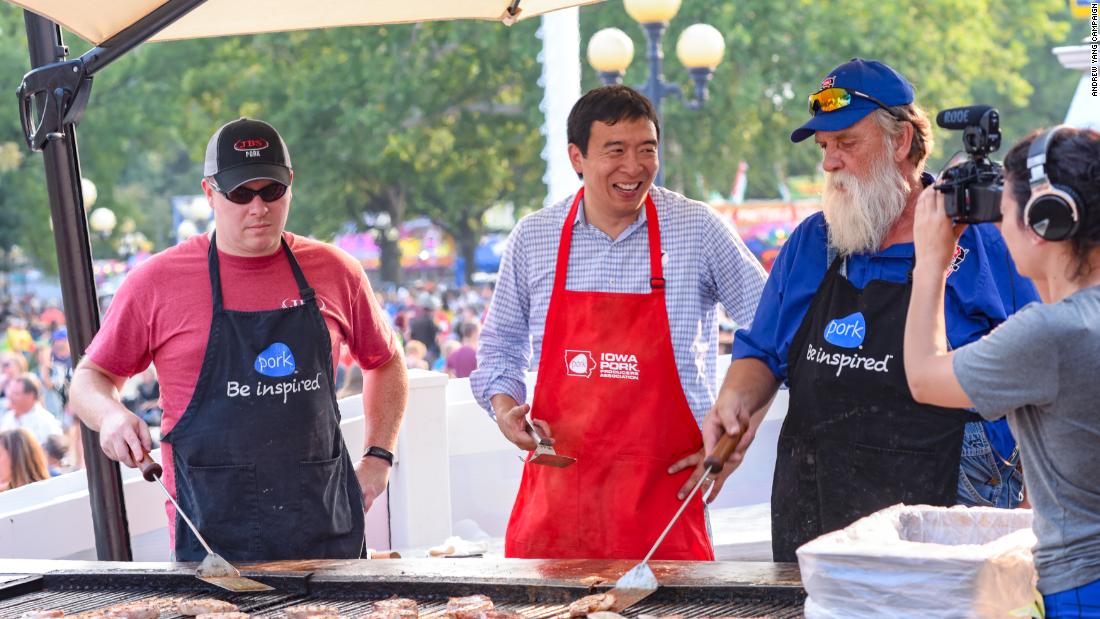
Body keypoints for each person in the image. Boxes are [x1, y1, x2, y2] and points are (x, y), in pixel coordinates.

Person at [702, 59, 1038, 562]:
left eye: (846, 143)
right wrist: (734, 400)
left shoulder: (982, 239)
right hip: (819, 490)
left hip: (949, 496)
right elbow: (763, 351)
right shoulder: (812, 243)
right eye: (823, 148)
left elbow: (1036, 372)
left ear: (901, 142)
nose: (830, 163)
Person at [69, 118, 408, 561]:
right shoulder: (156, 282)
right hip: (212, 539)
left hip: (326, 529)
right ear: (209, 192)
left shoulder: (336, 271)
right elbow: (89, 378)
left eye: (271, 190)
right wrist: (110, 417)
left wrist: (379, 457)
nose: (258, 207)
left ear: (291, 185)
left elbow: (386, 361)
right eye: (240, 193)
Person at [471, 85, 767, 560]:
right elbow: (500, 351)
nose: (634, 167)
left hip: (666, 503)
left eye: (647, 150)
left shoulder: (697, 229)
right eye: (615, 151)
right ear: (577, 157)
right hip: (557, 508)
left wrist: (736, 433)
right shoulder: (535, 236)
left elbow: (771, 331)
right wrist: (507, 410)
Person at [905, 127, 1100, 618]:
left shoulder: (1051, 333)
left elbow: (923, 377)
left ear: (1044, 220)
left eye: (1004, 212)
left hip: (1084, 583)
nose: (1000, 227)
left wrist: (931, 261)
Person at [0, 373, 63, 446]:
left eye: (16, 394)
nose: (10, 397)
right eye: (10, 392)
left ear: (30, 396)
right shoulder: (7, 418)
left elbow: (57, 453)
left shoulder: (47, 423)